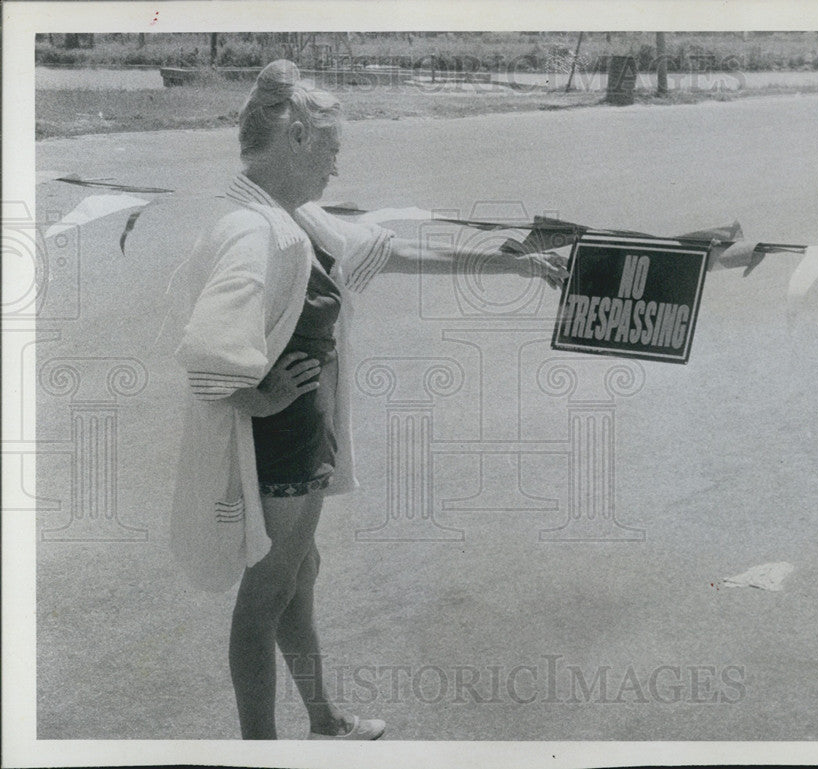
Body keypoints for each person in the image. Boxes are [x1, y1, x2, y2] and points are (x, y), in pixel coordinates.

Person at [169, 60, 567, 740]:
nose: (335, 165)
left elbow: (399, 252)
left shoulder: (303, 220)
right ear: (295, 137)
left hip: (305, 430)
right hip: (283, 439)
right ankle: (260, 751)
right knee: (266, 595)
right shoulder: (254, 230)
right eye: (330, 148)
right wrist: (256, 396)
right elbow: (204, 346)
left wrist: (514, 263)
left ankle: (322, 718)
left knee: (302, 570)